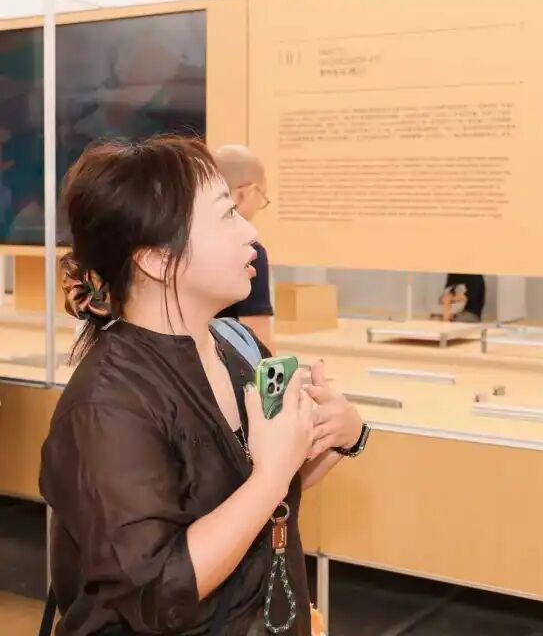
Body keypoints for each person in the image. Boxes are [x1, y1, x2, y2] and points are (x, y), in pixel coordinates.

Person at [39, 136, 367, 635]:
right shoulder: (106, 407)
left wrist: (340, 436)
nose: (250, 231)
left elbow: (257, 491)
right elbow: (155, 591)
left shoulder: (240, 347)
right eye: (227, 215)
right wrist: (269, 477)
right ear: (156, 259)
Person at [214, 144, 276, 353]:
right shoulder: (249, 252)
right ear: (246, 193)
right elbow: (260, 343)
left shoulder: (183, 241)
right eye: (263, 197)